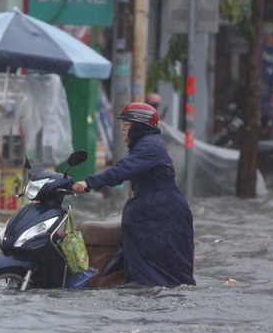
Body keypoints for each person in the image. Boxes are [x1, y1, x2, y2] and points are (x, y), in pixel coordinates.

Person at [72, 102, 195, 288]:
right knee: (148, 271)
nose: (122, 130)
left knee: (162, 274)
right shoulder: (147, 144)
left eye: (126, 125)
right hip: (155, 210)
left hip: (163, 213)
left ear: (139, 126)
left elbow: (121, 171)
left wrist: (89, 182)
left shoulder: (150, 146)